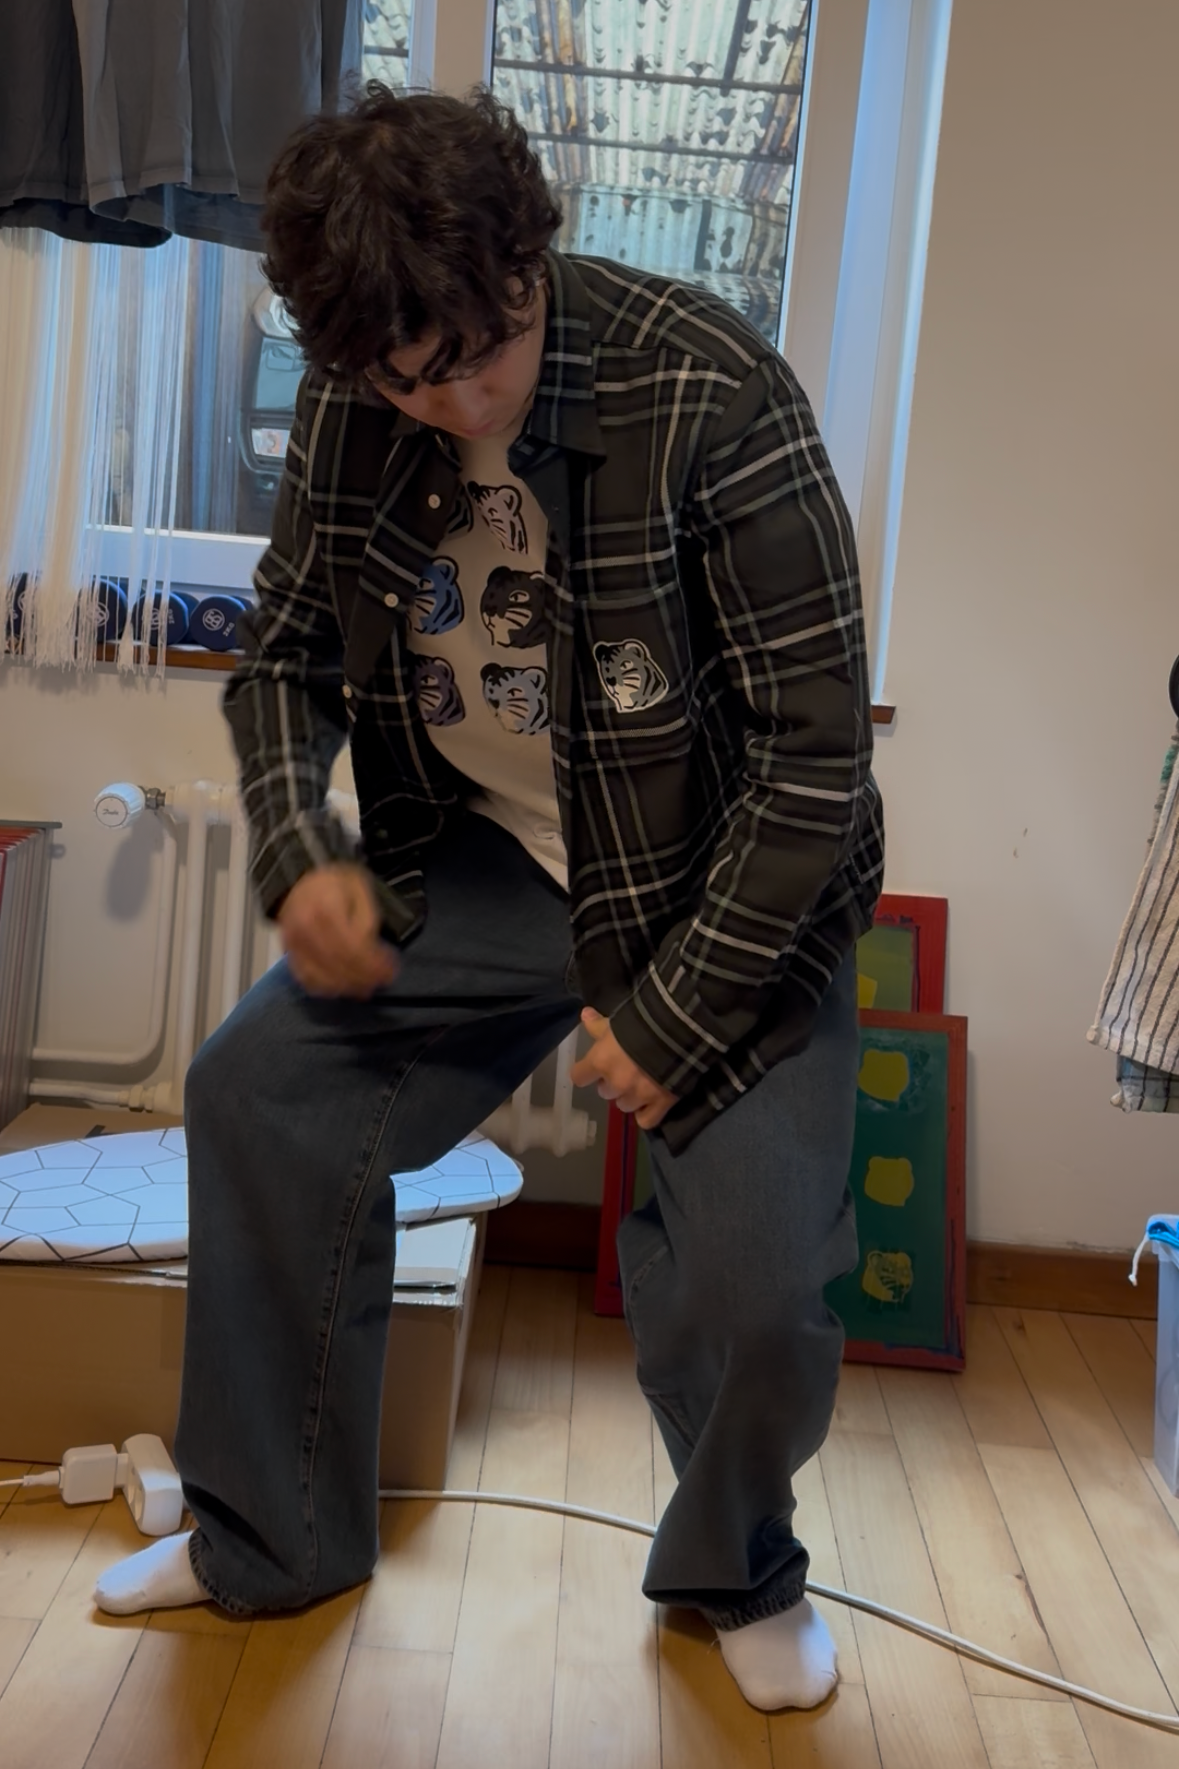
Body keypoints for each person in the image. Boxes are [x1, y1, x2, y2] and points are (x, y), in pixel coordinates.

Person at [95, 84, 884, 1714]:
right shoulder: (356, 401)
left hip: (719, 885)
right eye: (408, 377)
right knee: (257, 1091)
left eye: (483, 352)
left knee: (756, 1286)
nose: (454, 398)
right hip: (486, 864)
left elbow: (814, 762)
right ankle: (267, 1537)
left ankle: (736, 1567)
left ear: (532, 259)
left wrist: (675, 1012)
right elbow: (284, 654)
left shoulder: (710, 388)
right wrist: (297, 850)